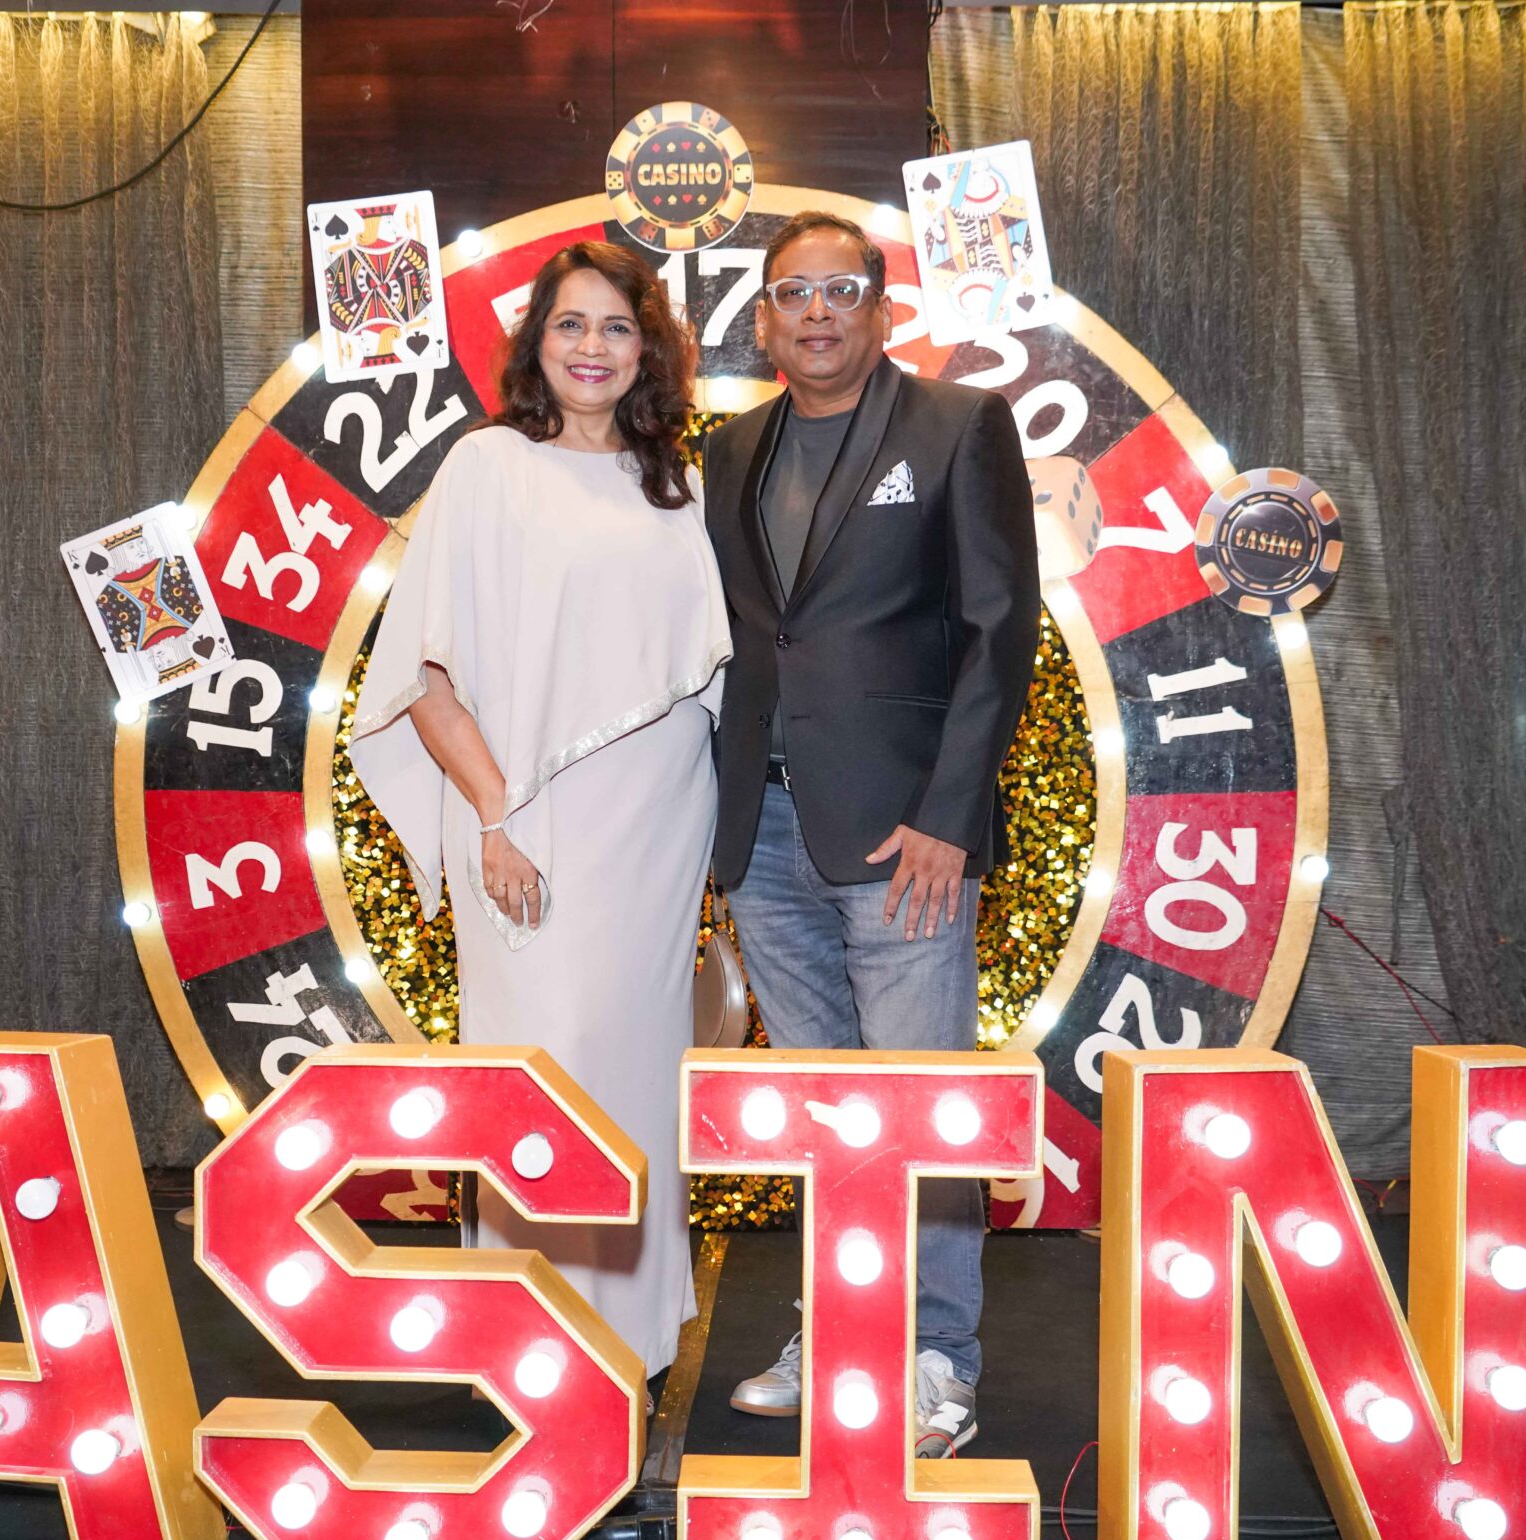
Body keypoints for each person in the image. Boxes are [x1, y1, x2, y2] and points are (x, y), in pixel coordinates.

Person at [348, 241, 732, 1382]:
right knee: (545, 1065)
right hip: (530, 820)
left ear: (646, 348)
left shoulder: (677, 484)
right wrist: (492, 817)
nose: (592, 349)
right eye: (571, 325)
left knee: (639, 1070)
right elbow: (424, 673)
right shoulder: (487, 466)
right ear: (537, 343)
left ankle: (636, 1339)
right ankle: (532, 1338)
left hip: (663, 822)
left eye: (616, 328)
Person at [702, 210, 1037, 1455]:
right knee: (824, 1108)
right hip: (766, 831)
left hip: (905, 836)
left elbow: (1002, 629)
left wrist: (951, 814)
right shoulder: (730, 450)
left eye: (842, 288)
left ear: (882, 310)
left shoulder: (956, 427)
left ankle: (938, 1356)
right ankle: (838, 1326)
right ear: (765, 320)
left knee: (923, 1105)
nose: (818, 311)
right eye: (793, 293)